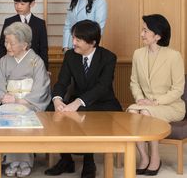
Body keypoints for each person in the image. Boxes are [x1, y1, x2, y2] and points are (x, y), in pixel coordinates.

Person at [45, 20, 122, 178]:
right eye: (73, 38)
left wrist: (78, 102)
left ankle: (89, 162)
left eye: (78, 40)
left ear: (92, 42)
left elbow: (103, 87)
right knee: (51, 110)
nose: (73, 42)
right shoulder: (70, 56)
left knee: (83, 113)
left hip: (104, 103)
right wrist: (57, 100)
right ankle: (66, 159)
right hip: (77, 101)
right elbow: (62, 82)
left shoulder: (108, 57)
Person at [127, 14, 185, 176]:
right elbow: (134, 82)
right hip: (144, 102)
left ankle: (155, 159)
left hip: (171, 106)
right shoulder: (138, 54)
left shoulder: (174, 56)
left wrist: (155, 102)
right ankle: (144, 157)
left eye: (145, 31)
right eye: (142, 30)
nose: (142, 34)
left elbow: (178, 89)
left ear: (158, 36)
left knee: (146, 113)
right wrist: (139, 99)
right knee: (132, 111)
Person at [0, 22, 51, 177]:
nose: (7, 46)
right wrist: (3, 96)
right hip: (9, 101)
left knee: (23, 115)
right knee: (7, 112)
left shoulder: (36, 61)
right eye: (6, 42)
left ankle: (25, 161)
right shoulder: (4, 61)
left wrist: (19, 101)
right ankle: (11, 160)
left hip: (29, 102)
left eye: (11, 43)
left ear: (24, 45)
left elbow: (41, 88)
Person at [0, 0, 49, 69]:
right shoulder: (9, 22)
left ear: (32, 4)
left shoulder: (40, 24)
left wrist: (45, 69)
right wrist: (2, 66)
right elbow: (1, 47)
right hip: (12, 65)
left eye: (22, 4)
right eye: (16, 3)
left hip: (33, 66)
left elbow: (43, 49)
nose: (18, 7)